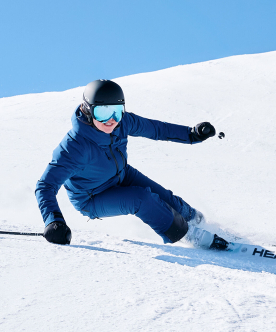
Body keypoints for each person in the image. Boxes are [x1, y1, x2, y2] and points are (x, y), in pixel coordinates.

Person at [35, 79, 227, 249]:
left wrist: (191, 134)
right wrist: (53, 221)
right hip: (92, 197)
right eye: (102, 112)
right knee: (141, 199)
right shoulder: (74, 147)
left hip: (122, 174)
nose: (111, 120)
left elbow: (156, 129)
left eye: (117, 111)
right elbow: (45, 186)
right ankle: (192, 236)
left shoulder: (122, 123)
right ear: (87, 110)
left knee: (167, 199)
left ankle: (199, 222)